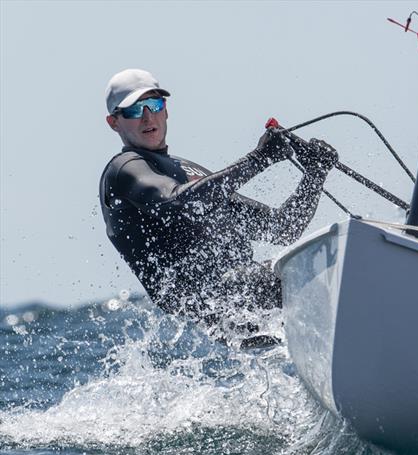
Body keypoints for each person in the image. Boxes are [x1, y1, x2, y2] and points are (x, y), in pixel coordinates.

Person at [99, 68, 336, 339]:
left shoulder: (191, 172)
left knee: (323, 259)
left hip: (252, 297)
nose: (147, 116)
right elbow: (176, 203)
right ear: (114, 122)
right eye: (133, 110)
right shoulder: (125, 169)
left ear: (166, 110)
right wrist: (260, 159)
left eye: (154, 104)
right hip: (214, 306)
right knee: (314, 271)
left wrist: (315, 174)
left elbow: (282, 228)